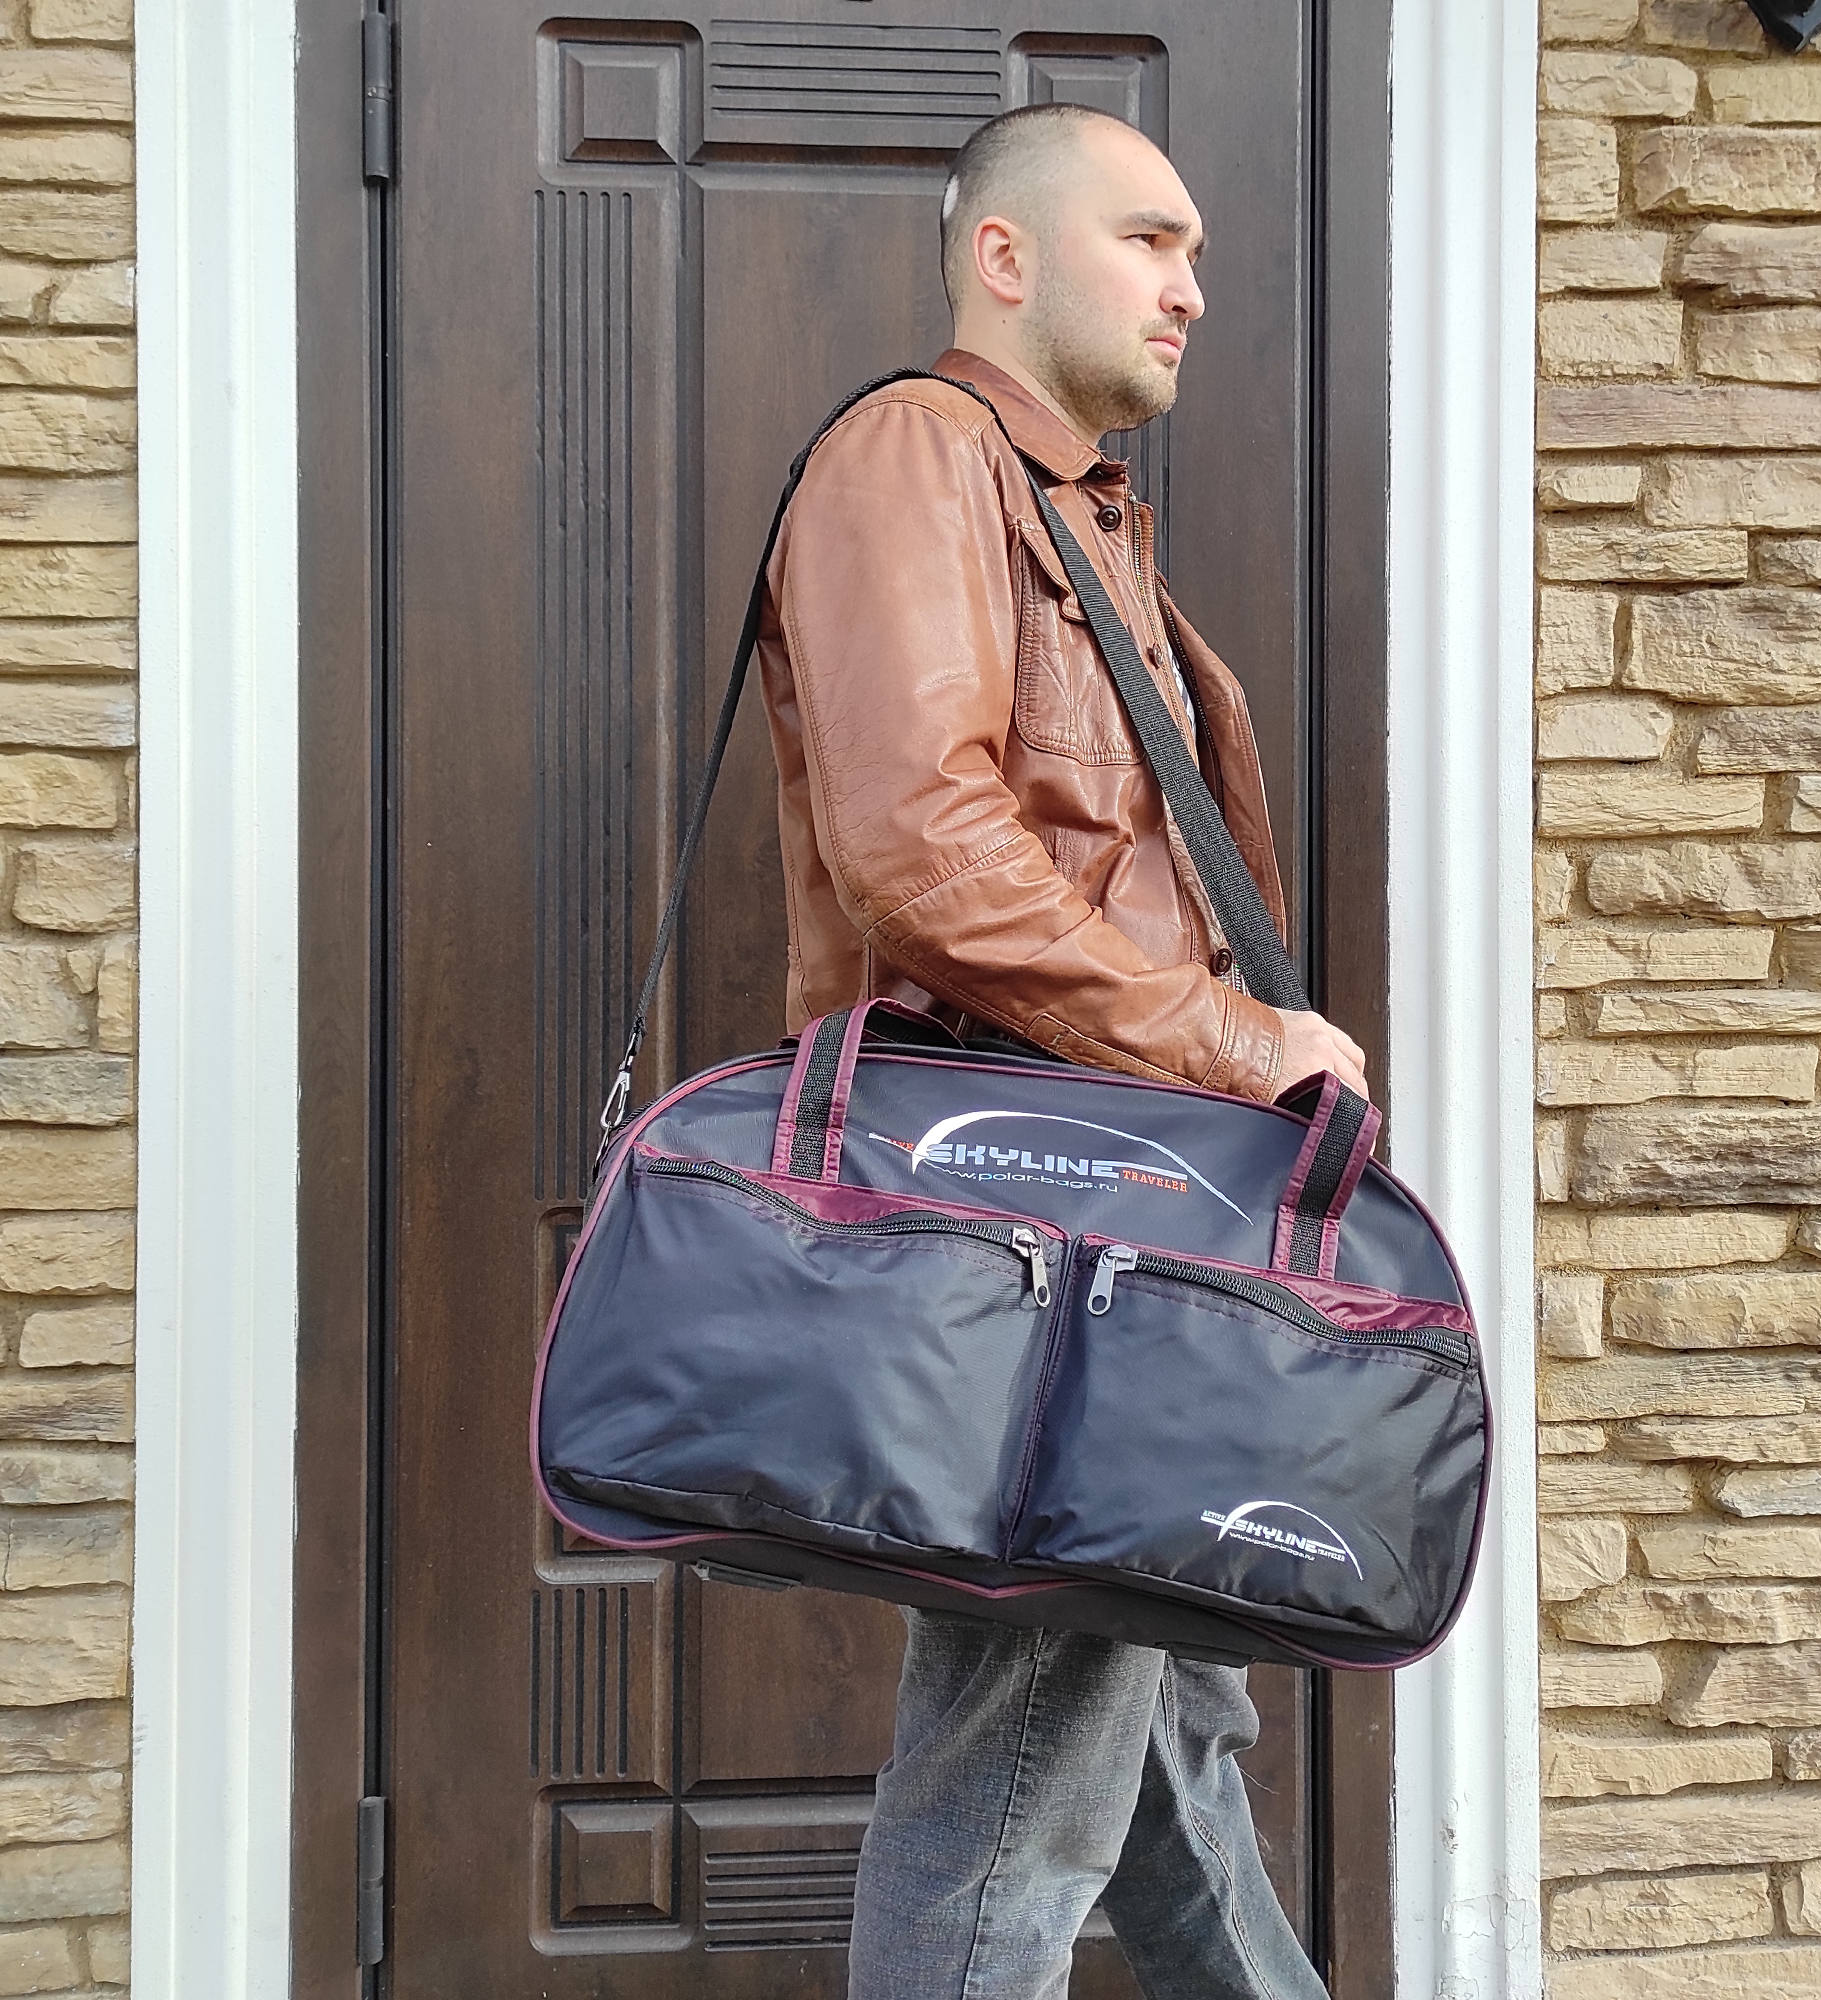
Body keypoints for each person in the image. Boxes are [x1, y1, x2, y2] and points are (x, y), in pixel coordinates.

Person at [755, 101, 1367, 2000]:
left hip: (1124, 1226)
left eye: (1197, 255)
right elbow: (922, 852)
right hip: (1037, 1236)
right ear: (1004, 256)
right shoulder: (917, 455)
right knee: (1019, 1783)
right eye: (1150, 241)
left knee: (1162, 1739)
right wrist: (1238, 1042)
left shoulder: (1076, 520)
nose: (1193, 288)